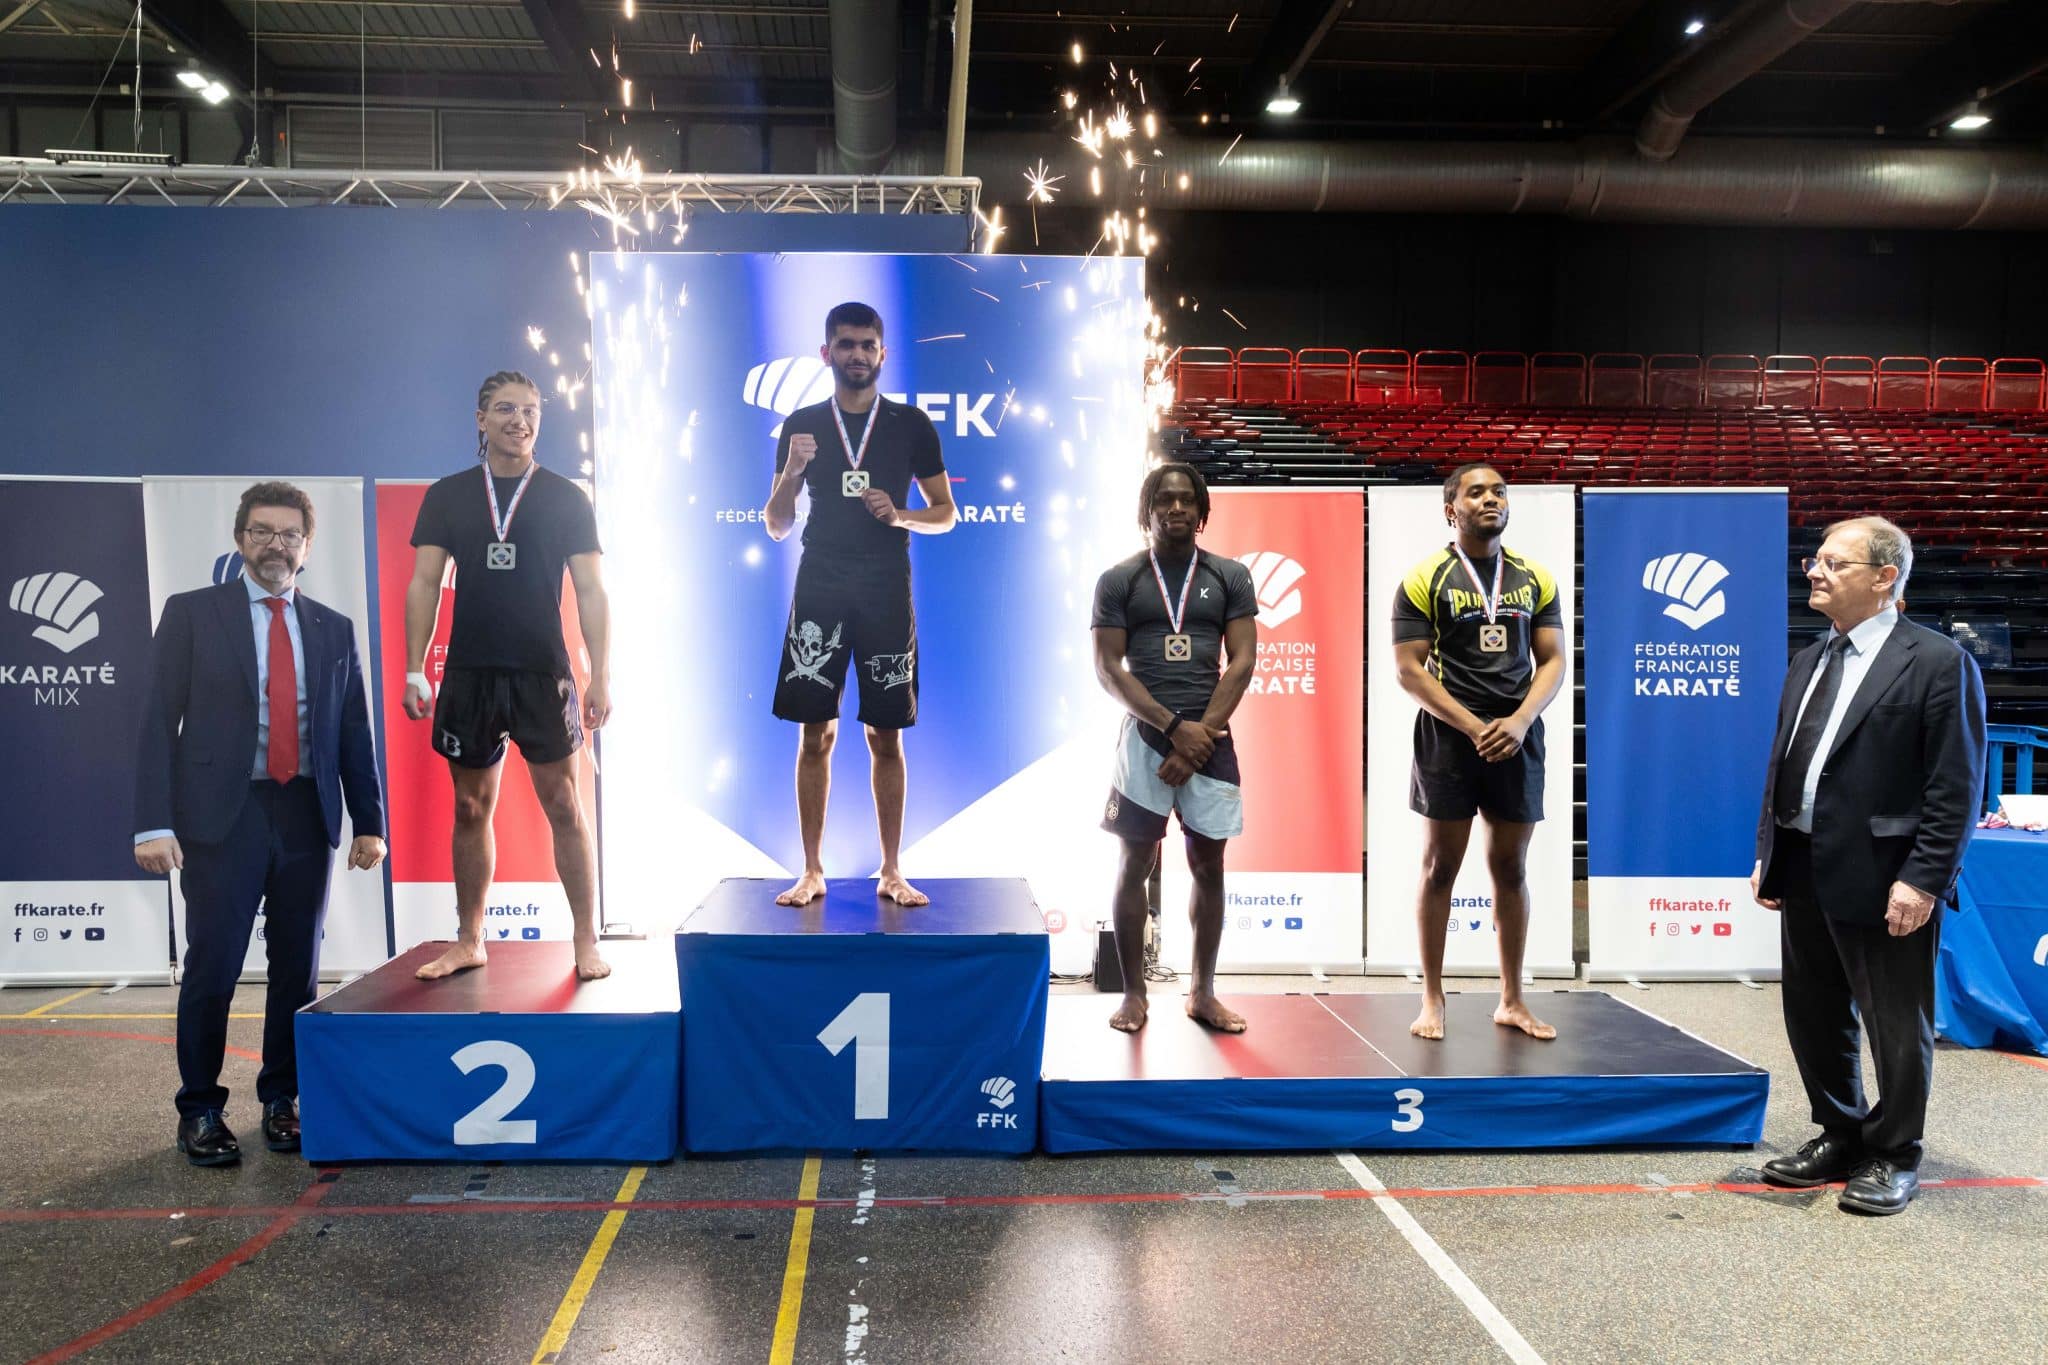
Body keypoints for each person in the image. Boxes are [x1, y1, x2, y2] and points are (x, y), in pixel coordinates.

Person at [134, 481, 387, 1167]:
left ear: (307, 546)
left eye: (290, 534)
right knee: (213, 966)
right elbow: (156, 721)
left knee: (297, 969)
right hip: (223, 815)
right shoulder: (192, 614)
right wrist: (152, 823)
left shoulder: (333, 628)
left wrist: (369, 821)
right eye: (263, 531)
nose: (276, 544)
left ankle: (282, 1100)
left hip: (305, 812)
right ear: (240, 539)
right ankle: (200, 1109)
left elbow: (353, 732)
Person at [1752, 516, 1985, 1215]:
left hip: (1889, 874)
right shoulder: (1809, 657)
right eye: (1815, 560)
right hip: (1804, 862)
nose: (1815, 572)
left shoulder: (1938, 662)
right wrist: (1769, 850)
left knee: (1895, 1024)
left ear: (1885, 577)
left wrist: (1924, 878)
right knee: (1814, 1013)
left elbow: (1956, 786)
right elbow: (1784, 764)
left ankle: (1895, 1151)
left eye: (1835, 563)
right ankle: (1840, 1132)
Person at [402, 370, 614, 982]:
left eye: (528, 411)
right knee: (470, 807)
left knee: (564, 805)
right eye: (504, 409)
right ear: (481, 419)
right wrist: (414, 667)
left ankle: (585, 940)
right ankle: (470, 939)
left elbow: (593, 590)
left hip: (542, 671)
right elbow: (424, 583)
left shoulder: (566, 497)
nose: (518, 421)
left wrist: (601, 675)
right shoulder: (447, 495)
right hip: (470, 672)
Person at [763, 301, 956, 908]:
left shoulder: (910, 425)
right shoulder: (802, 426)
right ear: (827, 353)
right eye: (845, 344)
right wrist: (791, 471)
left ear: (882, 353)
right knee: (814, 734)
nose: (857, 354)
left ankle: (892, 870)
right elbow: (776, 525)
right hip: (820, 581)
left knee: (886, 735)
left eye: (867, 345)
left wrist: (899, 514)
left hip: (884, 585)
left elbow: (946, 514)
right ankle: (811, 870)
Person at [1392, 462, 1565, 1042]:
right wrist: (1472, 726)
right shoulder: (1425, 577)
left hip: (1518, 735)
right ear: (1452, 510)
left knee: (1511, 868)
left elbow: (1553, 660)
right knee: (1440, 867)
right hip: (1448, 736)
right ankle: (1432, 997)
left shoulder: (1535, 577)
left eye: (1499, 491)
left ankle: (1512, 999)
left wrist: (1519, 720)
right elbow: (1409, 669)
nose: (1491, 499)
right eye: (1476, 492)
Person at [1091, 462, 1258, 1033]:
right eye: (1165, 499)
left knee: (1209, 865)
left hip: (1210, 739)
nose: (1177, 508)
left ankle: (1202, 993)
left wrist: (1197, 738)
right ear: (1148, 510)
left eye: (1188, 499)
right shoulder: (1120, 579)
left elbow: (1242, 662)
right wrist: (1172, 728)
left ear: (1203, 511)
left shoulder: (1230, 576)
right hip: (1144, 738)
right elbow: (1108, 669)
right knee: (1134, 863)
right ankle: (1134, 995)